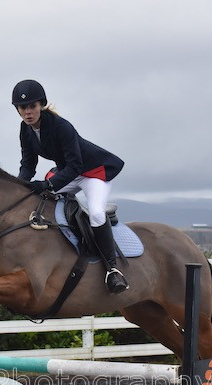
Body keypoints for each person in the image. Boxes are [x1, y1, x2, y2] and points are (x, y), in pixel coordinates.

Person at [11, 79, 129, 294]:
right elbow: (28, 164)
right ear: (18, 110)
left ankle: (112, 270)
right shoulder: (25, 129)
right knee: (40, 200)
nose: (28, 112)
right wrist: (19, 187)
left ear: (41, 106)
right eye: (23, 108)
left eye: (32, 107)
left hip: (93, 172)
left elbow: (76, 165)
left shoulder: (60, 126)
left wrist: (48, 183)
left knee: (95, 213)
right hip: (69, 173)